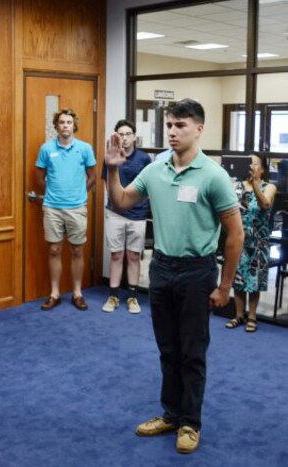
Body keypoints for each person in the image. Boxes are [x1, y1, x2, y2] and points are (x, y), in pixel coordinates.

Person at [104, 99, 244, 454]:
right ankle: (171, 413)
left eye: (180, 125)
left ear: (199, 129)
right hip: (162, 269)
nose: (172, 131)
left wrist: (225, 286)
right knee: (168, 348)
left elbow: (236, 234)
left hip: (197, 272)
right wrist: (110, 169)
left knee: (192, 352)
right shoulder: (155, 169)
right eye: (169, 124)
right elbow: (121, 200)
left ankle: (190, 423)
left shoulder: (213, 176)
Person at [36, 108, 96, 311]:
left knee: (77, 250)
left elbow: (93, 177)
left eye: (69, 122)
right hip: (52, 207)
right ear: (56, 126)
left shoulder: (85, 148)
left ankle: (77, 292)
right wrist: (54, 193)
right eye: (61, 122)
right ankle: (54, 293)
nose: (65, 126)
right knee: (54, 249)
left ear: (74, 125)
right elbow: (39, 177)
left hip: (77, 208)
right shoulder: (46, 149)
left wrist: (79, 193)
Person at [101, 119, 152, 314]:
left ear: (134, 136)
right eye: (120, 134)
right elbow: (108, 185)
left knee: (133, 256)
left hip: (137, 215)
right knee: (116, 255)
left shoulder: (144, 159)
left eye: (128, 134)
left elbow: (147, 187)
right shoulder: (110, 157)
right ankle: (113, 296)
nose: (124, 137)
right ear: (116, 136)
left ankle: (132, 297)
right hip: (115, 214)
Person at [225, 154, 276, 333]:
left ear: (262, 169)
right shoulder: (236, 186)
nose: (251, 166)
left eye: (254, 164)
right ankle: (239, 315)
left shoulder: (269, 187)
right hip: (238, 238)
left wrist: (254, 183)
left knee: (254, 279)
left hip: (258, 240)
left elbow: (265, 204)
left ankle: (252, 316)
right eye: (249, 163)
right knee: (238, 278)